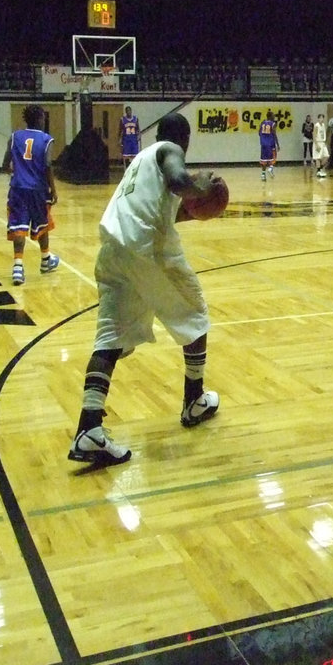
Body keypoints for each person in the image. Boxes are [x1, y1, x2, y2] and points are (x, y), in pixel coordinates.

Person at [67, 112, 220, 466]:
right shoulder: (170, 150)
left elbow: (164, 208)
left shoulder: (140, 162)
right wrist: (200, 186)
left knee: (110, 337)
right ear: (184, 139)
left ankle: (89, 428)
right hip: (147, 249)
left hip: (112, 251)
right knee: (196, 316)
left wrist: (194, 210)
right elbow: (180, 180)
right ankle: (194, 401)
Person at [2, 104, 60, 286]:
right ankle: (45, 260)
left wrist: (16, 174)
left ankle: (18, 267)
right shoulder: (46, 139)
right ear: (40, 119)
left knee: (19, 226)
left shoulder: (15, 137)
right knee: (42, 223)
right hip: (38, 189)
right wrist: (53, 189)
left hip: (18, 188)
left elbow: (5, 164)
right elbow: (48, 165)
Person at [258, 109, 279, 180]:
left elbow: (259, 133)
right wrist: (278, 144)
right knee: (273, 157)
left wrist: (264, 138)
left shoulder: (262, 123)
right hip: (270, 144)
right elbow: (274, 134)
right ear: (270, 116)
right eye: (273, 116)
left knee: (263, 160)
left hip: (263, 144)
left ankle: (263, 175)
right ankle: (270, 168)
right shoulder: (273, 124)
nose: (274, 117)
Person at [119, 105, 141, 171]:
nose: (128, 112)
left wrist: (139, 136)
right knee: (126, 157)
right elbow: (120, 130)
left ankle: (134, 169)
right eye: (127, 111)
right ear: (126, 112)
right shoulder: (122, 120)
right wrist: (119, 139)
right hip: (126, 140)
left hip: (134, 140)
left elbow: (138, 129)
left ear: (131, 111)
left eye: (129, 111)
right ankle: (127, 170)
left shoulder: (135, 119)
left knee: (135, 156)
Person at [313, 112, 329, 178]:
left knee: (327, 156)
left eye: (323, 118)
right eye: (320, 118)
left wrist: (325, 142)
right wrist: (316, 144)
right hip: (318, 142)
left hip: (323, 142)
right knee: (318, 157)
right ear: (318, 119)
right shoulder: (316, 125)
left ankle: (321, 167)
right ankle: (318, 171)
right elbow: (314, 135)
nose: (322, 119)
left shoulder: (323, 125)